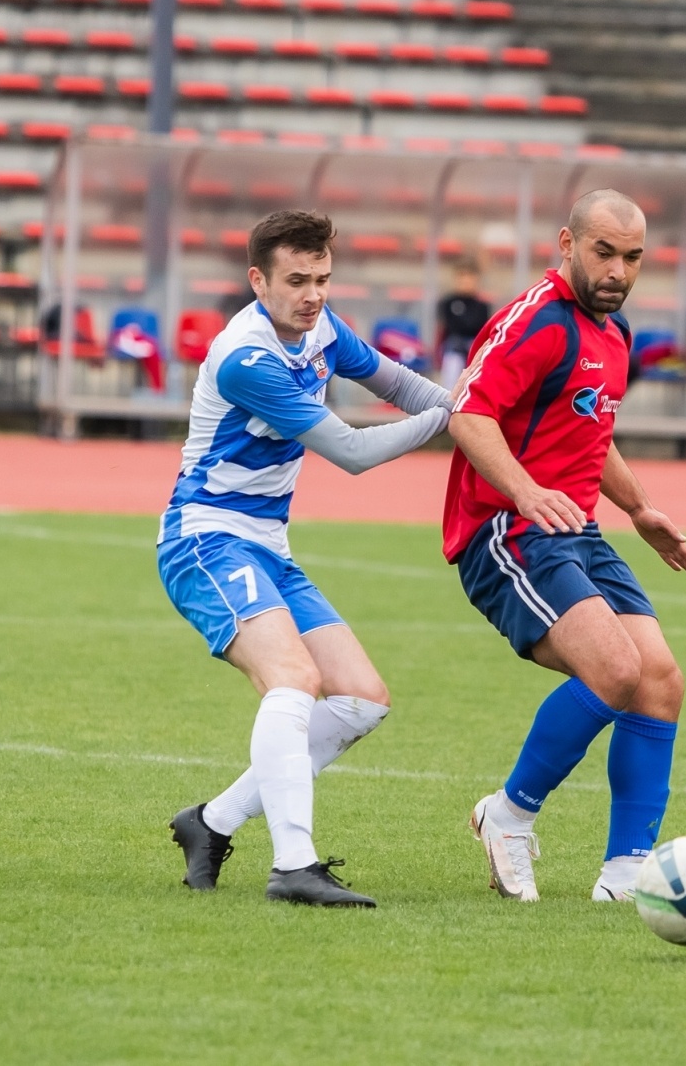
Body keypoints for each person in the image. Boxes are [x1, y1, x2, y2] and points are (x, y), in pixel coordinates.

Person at [160, 210, 453, 908]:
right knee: (292, 678)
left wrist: (468, 407)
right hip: (205, 539)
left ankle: (212, 822)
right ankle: (294, 865)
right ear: (258, 279)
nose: (313, 293)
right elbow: (352, 451)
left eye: (322, 277)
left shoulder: (322, 328)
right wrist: (454, 417)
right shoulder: (247, 357)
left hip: (267, 545)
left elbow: (404, 386)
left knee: (360, 698)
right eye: (297, 280)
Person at [445, 189, 686, 904]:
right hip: (508, 531)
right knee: (615, 669)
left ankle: (626, 873)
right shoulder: (537, 321)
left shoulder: (612, 335)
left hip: (577, 531)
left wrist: (640, 508)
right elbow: (467, 414)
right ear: (568, 243)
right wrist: (525, 491)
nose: (619, 270)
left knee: (660, 680)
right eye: (604, 252)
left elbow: (593, 427)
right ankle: (509, 814)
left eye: (633, 257)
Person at [437, 262, 492, 392]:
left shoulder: (482, 306)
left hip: (474, 349)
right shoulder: (448, 302)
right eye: (462, 277)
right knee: (452, 370)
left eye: (470, 278)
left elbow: (480, 328)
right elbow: (451, 327)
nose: (466, 282)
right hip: (454, 348)